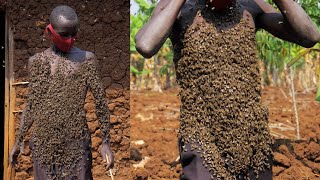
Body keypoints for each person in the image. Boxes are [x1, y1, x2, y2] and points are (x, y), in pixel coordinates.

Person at [135, 0, 320, 179]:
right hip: (201, 135)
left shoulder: (250, 6)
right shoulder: (182, 8)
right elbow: (146, 44)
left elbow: (309, 36)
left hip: (252, 135)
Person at [9, 5, 114, 179]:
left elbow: (100, 103)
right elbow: (32, 103)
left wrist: (106, 142)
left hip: (76, 145)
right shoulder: (37, 62)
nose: (71, 39)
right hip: (43, 144)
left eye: (74, 34)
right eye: (64, 35)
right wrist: (19, 140)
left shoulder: (86, 60)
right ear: (49, 32)